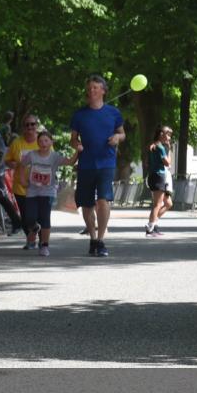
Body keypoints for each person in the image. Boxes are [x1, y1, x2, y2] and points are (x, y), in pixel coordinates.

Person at [70, 74, 125, 257]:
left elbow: (122, 134)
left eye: (95, 87)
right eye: (90, 88)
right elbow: (73, 138)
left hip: (106, 163)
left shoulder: (113, 113)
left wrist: (117, 137)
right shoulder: (80, 114)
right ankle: (92, 239)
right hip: (86, 164)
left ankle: (101, 240)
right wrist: (76, 145)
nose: (92, 90)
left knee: (103, 200)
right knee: (86, 204)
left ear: (103, 90)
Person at [20, 130, 81, 256]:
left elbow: (69, 162)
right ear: (37, 143)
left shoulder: (55, 156)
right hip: (32, 190)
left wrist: (78, 152)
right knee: (29, 218)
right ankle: (35, 228)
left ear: (51, 142)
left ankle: (44, 245)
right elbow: (22, 165)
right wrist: (22, 180)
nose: (43, 143)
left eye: (46, 141)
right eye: (41, 141)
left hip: (48, 191)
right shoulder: (32, 155)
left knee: (45, 218)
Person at [7, 114, 43, 248]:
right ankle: (31, 236)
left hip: (40, 185)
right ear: (23, 127)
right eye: (27, 125)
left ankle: (40, 240)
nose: (30, 127)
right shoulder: (17, 143)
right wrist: (13, 164)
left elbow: (51, 158)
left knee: (39, 215)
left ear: (36, 126)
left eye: (32, 124)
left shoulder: (43, 140)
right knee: (26, 217)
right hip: (21, 186)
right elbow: (8, 160)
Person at [145, 126, 174, 237]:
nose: (169, 138)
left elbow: (147, 163)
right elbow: (167, 163)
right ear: (161, 134)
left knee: (168, 203)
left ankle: (153, 224)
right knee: (157, 204)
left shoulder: (153, 146)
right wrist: (169, 150)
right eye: (168, 135)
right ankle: (150, 229)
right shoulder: (160, 147)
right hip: (159, 176)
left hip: (154, 175)